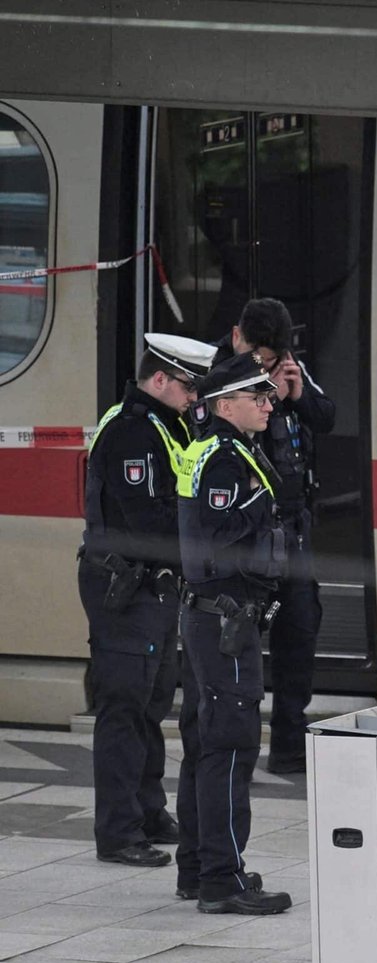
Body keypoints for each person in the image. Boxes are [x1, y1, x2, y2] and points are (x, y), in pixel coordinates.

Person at [80, 334, 214, 867]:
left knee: (153, 702)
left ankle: (148, 810)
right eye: (187, 385)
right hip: (125, 587)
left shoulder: (165, 424)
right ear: (160, 379)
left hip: (152, 587)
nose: (193, 396)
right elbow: (148, 522)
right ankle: (117, 831)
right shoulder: (133, 432)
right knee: (124, 707)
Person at [176, 350, 293, 914]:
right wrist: (263, 504)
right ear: (227, 404)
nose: (269, 404)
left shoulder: (221, 450)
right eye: (259, 397)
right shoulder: (225, 460)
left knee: (206, 742)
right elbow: (220, 532)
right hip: (225, 617)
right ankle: (223, 880)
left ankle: (199, 868)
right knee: (231, 745)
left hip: (212, 613)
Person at [227, 298, 335, 775]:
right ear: (237, 340)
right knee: (238, 643)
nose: (266, 371)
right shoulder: (218, 380)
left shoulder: (292, 372)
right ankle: (236, 746)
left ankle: (288, 744)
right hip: (245, 535)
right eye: (260, 361)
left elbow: (326, 417)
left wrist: (297, 396)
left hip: (292, 533)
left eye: (273, 361)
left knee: (299, 633)